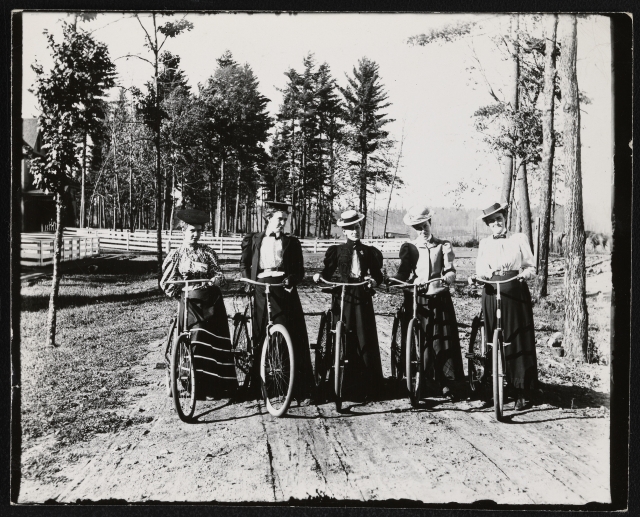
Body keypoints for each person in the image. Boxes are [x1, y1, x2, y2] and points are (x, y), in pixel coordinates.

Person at [240, 201, 315, 403]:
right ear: (268, 218)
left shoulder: (292, 242)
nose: (282, 223)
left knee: (290, 335)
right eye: (278, 218)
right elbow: (245, 263)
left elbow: (299, 271)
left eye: (285, 219)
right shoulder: (254, 239)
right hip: (260, 288)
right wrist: (248, 281)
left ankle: (299, 388)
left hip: (284, 290)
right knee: (261, 334)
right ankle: (263, 387)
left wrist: (292, 279)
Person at [160, 209, 237, 399]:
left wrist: (217, 279)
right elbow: (166, 283)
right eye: (191, 231)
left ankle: (216, 385)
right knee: (196, 337)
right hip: (190, 302)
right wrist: (180, 293)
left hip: (211, 301)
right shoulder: (176, 255)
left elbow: (219, 274)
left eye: (199, 231)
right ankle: (194, 384)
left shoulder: (207, 252)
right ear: (183, 231)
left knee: (214, 340)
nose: (195, 235)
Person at [393, 205, 465, 400]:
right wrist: (398, 279)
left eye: (424, 226)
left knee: (441, 340)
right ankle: (420, 378)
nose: (422, 231)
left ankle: (445, 382)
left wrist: (448, 276)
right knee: (419, 338)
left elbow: (450, 269)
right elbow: (404, 271)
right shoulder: (410, 247)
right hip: (417, 297)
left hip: (438, 295)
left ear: (430, 224)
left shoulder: (443, 245)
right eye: (417, 228)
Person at [313, 209, 384, 401]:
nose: (355, 231)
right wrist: (320, 276)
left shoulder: (368, 251)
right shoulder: (337, 251)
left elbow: (378, 276)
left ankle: (367, 384)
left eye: (357, 227)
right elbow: (327, 273)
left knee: (363, 336)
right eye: (351, 228)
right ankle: (340, 383)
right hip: (343, 296)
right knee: (341, 336)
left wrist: (373, 282)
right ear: (344, 231)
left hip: (361, 296)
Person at [475, 202, 538, 410]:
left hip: (515, 291)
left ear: (505, 218)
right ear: (487, 224)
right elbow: (481, 268)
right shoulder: (484, 243)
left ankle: (520, 389)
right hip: (492, 292)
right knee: (495, 339)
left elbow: (530, 265)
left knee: (516, 338)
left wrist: (525, 274)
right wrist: (481, 276)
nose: (496, 223)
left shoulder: (518, 238)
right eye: (491, 221)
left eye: (499, 218)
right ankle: (495, 387)